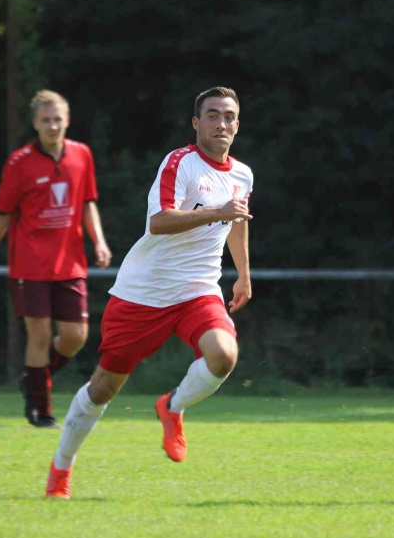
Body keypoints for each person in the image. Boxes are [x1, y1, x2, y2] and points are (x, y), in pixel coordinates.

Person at [45, 86, 253, 499]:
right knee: (103, 388)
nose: (221, 123)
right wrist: (218, 212)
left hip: (198, 290)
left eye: (228, 116)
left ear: (237, 125)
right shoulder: (180, 163)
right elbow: (159, 222)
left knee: (224, 355)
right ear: (196, 123)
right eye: (212, 115)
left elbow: (238, 221)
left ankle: (172, 407)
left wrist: (243, 274)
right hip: (144, 293)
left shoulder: (243, 174)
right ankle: (61, 468)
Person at [0, 90, 111, 427]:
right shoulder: (19, 163)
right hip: (30, 265)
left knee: (76, 336)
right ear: (35, 123)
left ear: (67, 120)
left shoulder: (82, 155)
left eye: (57, 119)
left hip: (70, 263)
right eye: (45, 120)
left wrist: (99, 242)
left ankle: (35, 379)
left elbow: (87, 202)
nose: (52, 126)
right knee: (39, 335)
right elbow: (2, 215)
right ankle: (40, 409)